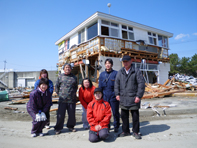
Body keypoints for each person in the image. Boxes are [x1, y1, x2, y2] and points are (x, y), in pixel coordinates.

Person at [114, 55, 145, 139]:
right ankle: (126, 131)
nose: (125, 63)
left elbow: (141, 84)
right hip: (123, 98)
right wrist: (117, 94)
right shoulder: (120, 72)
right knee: (124, 116)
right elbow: (116, 84)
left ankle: (136, 132)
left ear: (131, 61)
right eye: (124, 62)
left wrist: (138, 96)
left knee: (135, 117)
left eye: (127, 61)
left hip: (134, 98)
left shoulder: (136, 71)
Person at [54, 63, 78, 134]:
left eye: (69, 67)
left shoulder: (74, 77)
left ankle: (71, 126)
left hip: (72, 100)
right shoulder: (60, 77)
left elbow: (76, 87)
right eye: (66, 67)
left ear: (71, 69)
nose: (68, 68)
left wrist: (72, 94)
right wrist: (60, 94)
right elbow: (57, 87)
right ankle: (58, 128)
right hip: (62, 100)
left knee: (72, 115)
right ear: (64, 69)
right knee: (60, 115)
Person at [99, 58, 120, 132]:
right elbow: (100, 87)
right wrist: (99, 96)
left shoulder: (116, 73)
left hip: (113, 95)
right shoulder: (102, 74)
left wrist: (117, 94)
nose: (108, 65)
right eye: (106, 63)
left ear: (112, 65)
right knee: (105, 113)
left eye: (109, 63)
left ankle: (116, 125)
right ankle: (106, 125)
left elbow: (118, 85)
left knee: (115, 112)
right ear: (105, 65)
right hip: (104, 96)